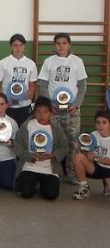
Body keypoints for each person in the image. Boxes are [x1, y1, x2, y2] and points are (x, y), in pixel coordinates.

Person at [38, 33, 87, 185]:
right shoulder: (49, 62)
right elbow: (43, 85)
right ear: (55, 45)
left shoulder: (77, 61)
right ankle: (52, 172)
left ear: (69, 45)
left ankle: (72, 174)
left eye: (64, 43)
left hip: (72, 110)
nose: (61, 46)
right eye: (58, 43)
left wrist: (77, 104)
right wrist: (48, 103)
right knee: (52, 141)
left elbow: (82, 86)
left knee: (73, 142)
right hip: (53, 109)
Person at [15, 97, 68, 200]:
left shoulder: (56, 128)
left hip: (49, 168)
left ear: (51, 112)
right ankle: (31, 183)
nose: (42, 115)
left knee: (51, 195)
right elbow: (18, 145)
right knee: (26, 193)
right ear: (34, 112)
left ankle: (43, 184)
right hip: (29, 166)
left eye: (45, 112)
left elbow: (64, 147)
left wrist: (53, 155)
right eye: (38, 112)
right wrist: (30, 156)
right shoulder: (27, 125)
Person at [0, 34, 38, 126]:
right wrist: (4, 100)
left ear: (24, 46)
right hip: (9, 106)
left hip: (24, 105)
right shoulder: (3, 63)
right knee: (7, 131)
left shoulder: (31, 64)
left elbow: (32, 85)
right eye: (15, 45)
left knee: (24, 132)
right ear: (11, 46)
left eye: (21, 45)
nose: (18, 48)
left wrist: (31, 93)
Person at [72, 110, 110, 200]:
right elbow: (87, 152)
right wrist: (79, 147)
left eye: (104, 122)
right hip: (97, 167)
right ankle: (84, 188)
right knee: (78, 157)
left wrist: (95, 158)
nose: (100, 125)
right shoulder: (93, 135)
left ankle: (107, 183)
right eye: (98, 123)